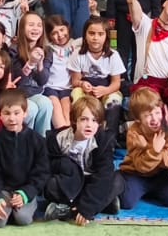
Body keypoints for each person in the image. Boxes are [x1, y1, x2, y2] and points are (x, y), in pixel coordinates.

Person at [42, 95, 120, 224]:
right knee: (51, 185)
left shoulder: (103, 141)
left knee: (117, 181)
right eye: (84, 119)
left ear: (100, 124)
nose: (89, 125)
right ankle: (104, 203)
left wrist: (87, 208)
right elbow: (48, 166)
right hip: (70, 183)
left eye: (94, 121)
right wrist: (66, 166)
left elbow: (103, 175)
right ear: (74, 121)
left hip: (92, 182)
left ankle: (68, 211)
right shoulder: (58, 138)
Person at [0, 90, 50, 228]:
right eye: (7, 113)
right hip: (3, 189)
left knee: (23, 219)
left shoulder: (37, 140)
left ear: (25, 113)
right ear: (0, 115)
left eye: (16, 113)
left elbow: (42, 173)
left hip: (25, 189)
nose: (12, 118)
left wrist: (26, 194)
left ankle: (20, 205)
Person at [119, 87, 168, 209]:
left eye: (157, 113)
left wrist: (148, 147)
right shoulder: (134, 133)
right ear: (138, 119)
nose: (154, 119)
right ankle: (124, 181)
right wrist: (155, 150)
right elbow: (141, 166)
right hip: (135, 173)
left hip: (158, 174)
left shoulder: (167, 128)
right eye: (148, 115)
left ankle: (147, 191)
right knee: (126, 203)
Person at [69, 16, 125, 112]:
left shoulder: (113, 55)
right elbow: (75, 81)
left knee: (114, 101)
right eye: (91, 33)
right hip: (86, 91)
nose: (95, 38)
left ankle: (110, 122)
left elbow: (116, 83)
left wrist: (106, 90)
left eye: (100, 34)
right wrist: (82, 84)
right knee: (76, 93)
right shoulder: (77, 54)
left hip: (107, 88)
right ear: (85, 35)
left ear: (106, 36)